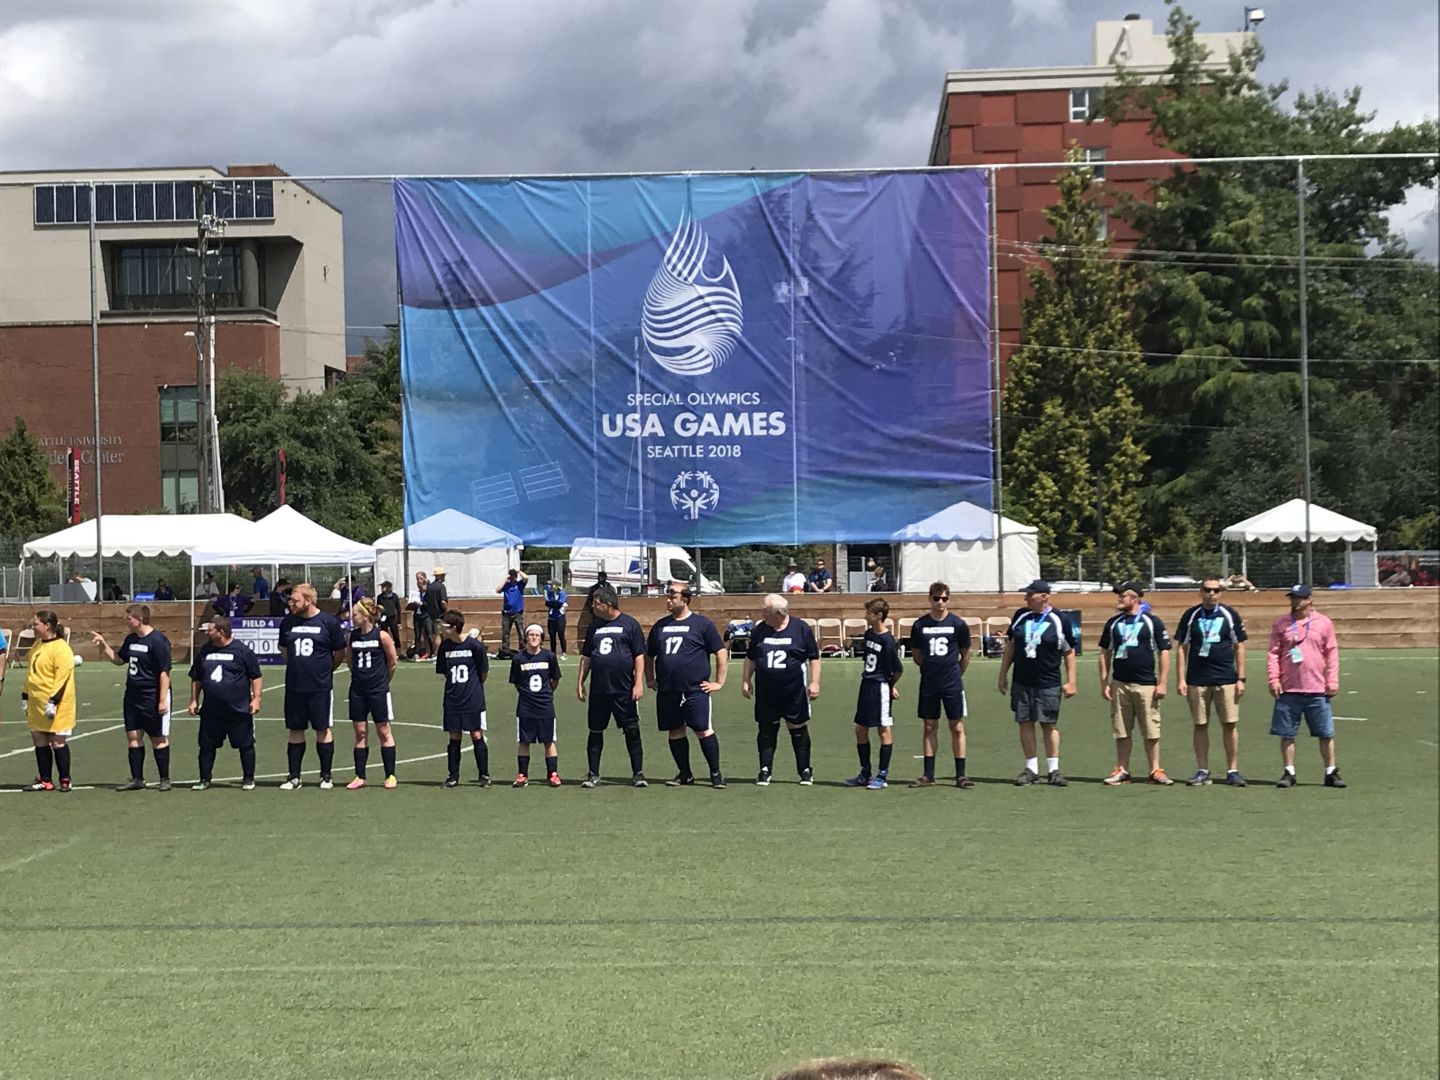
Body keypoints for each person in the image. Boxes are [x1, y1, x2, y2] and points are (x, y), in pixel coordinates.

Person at [646, 583, 727, 787]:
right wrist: (650, 678)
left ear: (685, 598)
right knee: (675, 731)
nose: (668, 599)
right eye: (668, 595)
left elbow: (720, 651)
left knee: (703, 729)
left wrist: (719, 681)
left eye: (673, 595)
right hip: (668, 689)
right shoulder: (660, 626)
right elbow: (649, 655)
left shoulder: (702, 624)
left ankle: (716, 773)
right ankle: (685, 773)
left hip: (695, 689)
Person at [997, 580, 1075, 787]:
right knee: (1025, 721)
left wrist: (1072, 681)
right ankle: (1031, 768)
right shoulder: (1021, 616)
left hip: (1048, 681)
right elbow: (1011, 646)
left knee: (1048, 724)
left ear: (1044, 596)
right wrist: (1003, 673)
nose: (1026, 598)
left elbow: (1069, 651)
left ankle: (1053, 769)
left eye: (1030, 595)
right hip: (1022, 680)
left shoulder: (1059, 619)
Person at [1267, 585, 1345, 788]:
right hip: (1289, 688)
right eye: (1293, 598)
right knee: (1287, 733)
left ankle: (1330, 771)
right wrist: (1274, 679)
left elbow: (1331, 653)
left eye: (1300, 598)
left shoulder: (1323, 623)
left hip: (1317, 687)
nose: (1295, 601)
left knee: (1325, 733)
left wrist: (1333, 679)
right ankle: (1289, 771)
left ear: (1309, 599)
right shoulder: (1281, 623)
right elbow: (1273, 653)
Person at [1098, 582, 1174, 786]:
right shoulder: (1114, 623)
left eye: (1122, 596)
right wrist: (1105, 682)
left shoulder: (1152, 622)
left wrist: (1163, 682)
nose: (1119, 600)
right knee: (1121, 729)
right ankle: (1122, 769)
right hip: (1120, 683)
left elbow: (1164, 651)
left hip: (1146, 684)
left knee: (1151, 729)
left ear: (1134, 598)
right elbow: (1105, 652)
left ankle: (1155, 769)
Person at [91, 603, 174, 791]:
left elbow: (164, 673)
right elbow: (120, 660)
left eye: (129, 618)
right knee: (133, 736)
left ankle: (164, 778)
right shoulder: (131, 639)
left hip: (152, 696)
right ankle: (137, 778)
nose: (126, 621)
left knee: (158, 737)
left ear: (140, 619)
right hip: (133, 696)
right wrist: (104, 645)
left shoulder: (158, 641)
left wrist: (162, 700)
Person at [1175, 577, 1249, 786]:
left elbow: (1239, 645)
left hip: (1226, 678)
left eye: (1216, 590)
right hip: (1197, 679)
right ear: (1201, 591)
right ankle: (1202, 769)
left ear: (1221, 593)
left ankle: (1232, 770)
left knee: (1229, 724)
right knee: (1200, 724)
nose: (1211, 594)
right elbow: (1182, 647)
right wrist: (1181, 679)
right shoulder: (1191, 615)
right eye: (1207, 590)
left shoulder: (1229, 615)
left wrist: (1241, 678)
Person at [742, 593, 821, 786]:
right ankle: (765, 769)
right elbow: (751, 657)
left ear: (778, 613)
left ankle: (804, 770)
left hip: (793, 690)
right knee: (767, 729)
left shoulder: (800, 628)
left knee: (797, 727)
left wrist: (815, 682)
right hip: (766, 691)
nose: (762, 614)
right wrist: (746, 680)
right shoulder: (760, 630)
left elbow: (814, 657)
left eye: (765, 611)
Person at [576, 583, 648, 787]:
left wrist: (638, 684)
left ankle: (638, 773)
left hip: (623, 689)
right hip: (599, 689)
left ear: (608, 604)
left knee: (631, 730)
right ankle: (593, 773)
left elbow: (639, 656)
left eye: (595, 603)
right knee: (595, 730)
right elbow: (587, 656)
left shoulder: (629, 624)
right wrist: (580, 682)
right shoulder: (594, 626)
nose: (592, 606)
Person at [277, 582, 347, 790]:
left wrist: (325, 670)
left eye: (295, 600)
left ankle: (325, 775)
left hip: (320, 686)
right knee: (295, 729)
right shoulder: (288, 622)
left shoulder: (328, 622)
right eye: (290, 600)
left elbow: (339, 652)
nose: (291, 603)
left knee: (322, 729)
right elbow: (284, 649)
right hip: (295, 685)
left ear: (308, 600)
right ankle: (294, 776)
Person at [905, 581, 973, 788]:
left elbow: (966, 653)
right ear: (930, 599)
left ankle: (961, 774)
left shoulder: (958, 624)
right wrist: (930, 668)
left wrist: (956, 672)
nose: (940, 602)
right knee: (929, 726)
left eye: (944, 598)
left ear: (949, 599)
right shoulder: (920, 625)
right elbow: (916, 654)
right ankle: (928, 774)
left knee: (957, 726)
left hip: (952, 682)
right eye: (936, 598)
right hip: (929, 682)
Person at [187, 615, 262, 790]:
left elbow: (256, 676)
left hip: (238, 708)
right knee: (206, 745)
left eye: (210, 629)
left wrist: (256, 698)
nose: (207, 632)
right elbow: (197, 677)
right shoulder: (205, 650)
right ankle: (204, 779)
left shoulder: (242, 651)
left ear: (221, 632)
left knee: (245, 744)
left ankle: (248, 778)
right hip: (212, 710)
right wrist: (193, 700)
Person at [842, 597, 904, 789]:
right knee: (860, 728)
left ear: (878, 615)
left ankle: (882, 775)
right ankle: (865, 772)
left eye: (868, 612)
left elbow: (897, 669)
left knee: (883, 729)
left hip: (880, 687)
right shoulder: (869, 634)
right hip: (866, 684)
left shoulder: (887, 640)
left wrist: (889, 685)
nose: (865, 615)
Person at [346, 597, 399, 790]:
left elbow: (392, 662)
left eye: (355, 614)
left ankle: (390, 774)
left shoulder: (382, 636)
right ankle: (360, 775)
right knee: (360, 732)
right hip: (358, 690)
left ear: (365, 616)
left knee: (383, 731)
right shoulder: (353, 636)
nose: (352, 617)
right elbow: (350, 660)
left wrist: (383, 682)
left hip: (378, 690)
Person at [435, 610, 491, 788]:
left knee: (476, 734)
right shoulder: (445, 647)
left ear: (453, 628)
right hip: (452, 698)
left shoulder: (474, 646)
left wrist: (473, 687)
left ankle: (484, 775)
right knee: (454, 736)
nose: (441, 629)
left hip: (472, 698)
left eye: (444, 626)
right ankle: (453, 775)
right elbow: (444, 671)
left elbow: (484, 672)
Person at [23, 610, 76, 792]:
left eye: (36, 624)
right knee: (38, 737)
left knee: (57, 741)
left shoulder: (61, 648)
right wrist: (25, 695)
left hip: (56, 703)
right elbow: (31, 673)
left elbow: (63, 678)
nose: (33, 627)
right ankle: (45, 780)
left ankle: (65, 779)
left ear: (47, 626)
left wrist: (53, 701)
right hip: (36, 702)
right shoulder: (37, 646)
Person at [510, 623, 563, 787]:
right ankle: (522, 775)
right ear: (526, 637)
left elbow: (555, 679)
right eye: (531, 635)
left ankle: (552, 774)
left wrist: (546, 694)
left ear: (541, 639)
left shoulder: (549, 656)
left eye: (537, 635)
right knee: (524, 741)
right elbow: (517, 682)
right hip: (526, 706)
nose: (533, 638)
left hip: (545, 706)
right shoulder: (518, 658)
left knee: (549, 740)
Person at [496, 567, 528, 655]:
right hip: (507, 613)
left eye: (514, 576)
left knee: (521, 632)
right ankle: (505, 650)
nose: (513, 577)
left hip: (517, 612)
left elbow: (526, 578)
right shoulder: (506, 586)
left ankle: (522, 649)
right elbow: (497, 590)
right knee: (505, 633)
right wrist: (505, 580)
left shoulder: (519, 585)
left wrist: (518, 571)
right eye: (511, 575)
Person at [423, 567, 449, 657]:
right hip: (440, 615)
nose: (444, 576)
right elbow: (443, 601)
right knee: (440, 635)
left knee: (434, 635)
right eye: (443, 575)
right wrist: (446, 611)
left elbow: (425, 600)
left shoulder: (429, 587)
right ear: (440, 576)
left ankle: (435, 653)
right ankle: (438, 654)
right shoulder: (441, 587)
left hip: (430, 615)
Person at [375, 579, 403, 650]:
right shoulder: (380, 597)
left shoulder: (394, 596)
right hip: (383, 618)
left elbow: (398, 608)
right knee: (384, 633)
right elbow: (378, 608)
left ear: (388, 588)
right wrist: (378, 620)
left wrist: (399, 621)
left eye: (384, 587)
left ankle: (398, 651)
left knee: (395, 634)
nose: (382, 589)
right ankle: (385, 649)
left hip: (392, 617)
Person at [544, 579, 569, 657]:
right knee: (552, 636)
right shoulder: (550, 593)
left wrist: (553, 604)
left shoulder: (562, 593)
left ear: (556, 585)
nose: (551, 586)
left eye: (552, 584)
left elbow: (559, 604)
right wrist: (554, 604)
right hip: (551, 618)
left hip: (559, 617)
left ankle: (564, 652)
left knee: (561, 635)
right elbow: (547, 603)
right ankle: (553, 653)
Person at [410, 570, 431, 659]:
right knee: (417, 635)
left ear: (425, 579)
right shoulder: (417, 592)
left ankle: (431, 652)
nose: (419, 581)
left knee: (429, 634)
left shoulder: (429, 591)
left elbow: (430, 603)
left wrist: (422, 603)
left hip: (426, 615)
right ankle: (417, 653)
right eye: (417, 579)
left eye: (420, 579)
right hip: (417, 615)